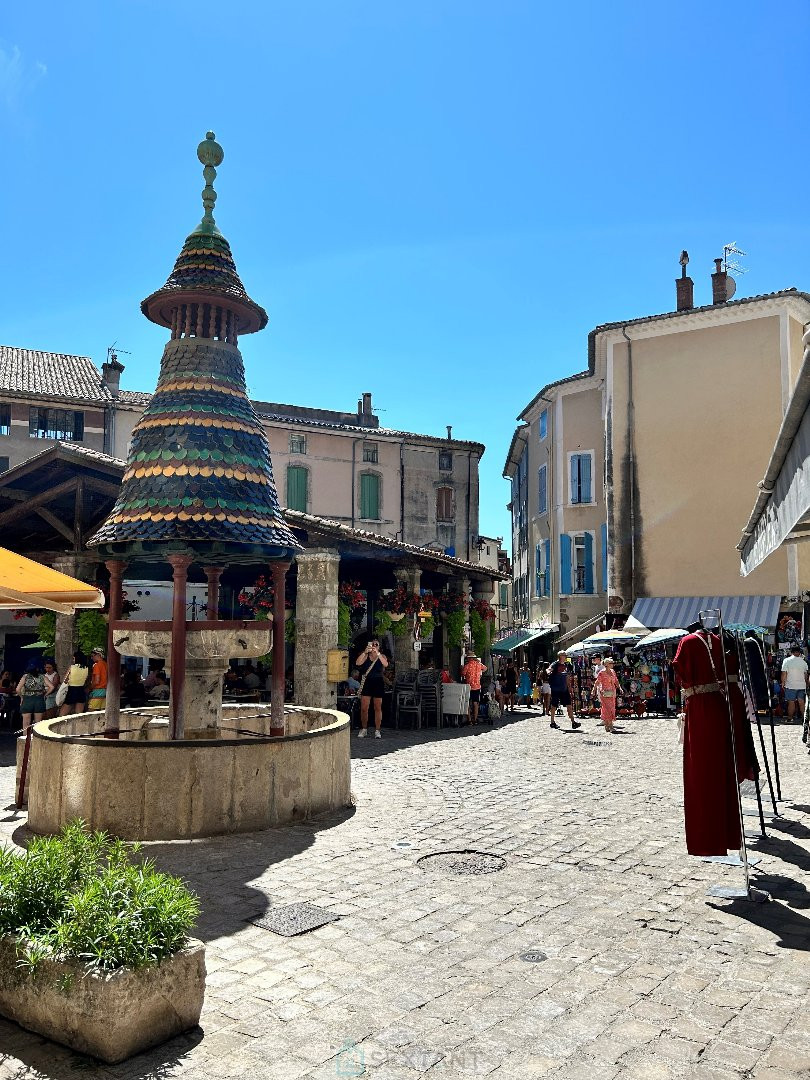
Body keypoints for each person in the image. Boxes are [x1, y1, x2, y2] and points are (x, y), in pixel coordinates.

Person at [357, 639, 388, 738]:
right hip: (367, 682)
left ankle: (377, 730)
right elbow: (358, 663)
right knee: (364, 708)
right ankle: (364, 729)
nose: (374, 646)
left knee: (377, 707)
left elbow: (385, 664)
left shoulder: (381, 656)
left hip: (378, 682)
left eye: (376, 645)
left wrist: (378, 654)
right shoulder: (365, 655)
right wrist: (365, 652)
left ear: (379, 647)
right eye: (372, 644)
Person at [547, 652, 581, 731]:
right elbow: (548, 669)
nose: (565, 656)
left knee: (569, 705)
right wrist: (549, 671)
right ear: (560, 656)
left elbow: (567, 677)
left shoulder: (567, 665)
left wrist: (569, 688)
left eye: (565, 655)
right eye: (564, 655)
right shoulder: (555, 664)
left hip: (564, 689)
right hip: (556, 688)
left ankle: (573, 722)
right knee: (554, 705)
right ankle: (552, 722)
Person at [781, 644, 809, 722]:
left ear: (791, 652)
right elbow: (806, 675)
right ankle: (804, 719)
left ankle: (790, 718)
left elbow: (784, 673)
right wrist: (806, 684)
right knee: (801, 702)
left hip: (790, 685)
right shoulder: (803, 662)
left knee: (791, 702)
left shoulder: (787, 661)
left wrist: (783, 683)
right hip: (802, 686)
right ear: (799, 652)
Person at [16, 663, 46, 732]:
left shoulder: (25, 676)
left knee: (26, 724)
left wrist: (22, 697)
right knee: (37, 724)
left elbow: (17, 689)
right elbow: (52, 687)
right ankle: (36, 740)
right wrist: (45, 694)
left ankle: (25, 740)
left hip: (27, 700)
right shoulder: (42, 676)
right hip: (39, 700)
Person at [594, 656, 620, 733]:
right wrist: (593, 690)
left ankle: (607, 724)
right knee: (607, 709)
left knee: (611, 708)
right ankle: (610, 725)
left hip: (612, 693)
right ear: (606, 664)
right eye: (611, 663)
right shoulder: (601, 673)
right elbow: (597, 682)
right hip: (604, 693)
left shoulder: (613, 671)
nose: (612, 664)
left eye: (612, 663)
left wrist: (620, 688)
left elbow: (616, 681)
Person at [60, 651, 89, 715]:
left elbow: (64, 680)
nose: (73, 660)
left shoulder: (72, 667)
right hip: (81, 690)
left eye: (73, 658)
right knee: (79, 714)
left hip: (72, 690)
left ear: (76, 658)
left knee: (62, 713)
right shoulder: (86, 668)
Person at [461, 652, 487, 725]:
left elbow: (462, 673)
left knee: (468, 703)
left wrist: (461, 668)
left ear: (469, 658)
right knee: (475, 703)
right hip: (477, 686)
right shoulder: (479, 665)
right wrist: (479, 663)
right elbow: (485, 669)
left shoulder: (467, 666)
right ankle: (475, 719)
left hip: (469, 686)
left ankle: (469, 720)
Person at [87, 647, 108, 712]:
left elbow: (96, 681)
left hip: (97, 690)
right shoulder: (106, 664)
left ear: (99, 655)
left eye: (93, 656)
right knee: (102, 712)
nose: (92, 658)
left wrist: (90, 688)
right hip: (105, 690)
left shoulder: (97, 665)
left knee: (90, 712)